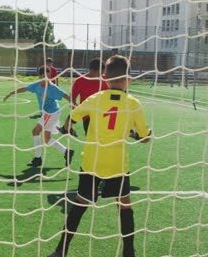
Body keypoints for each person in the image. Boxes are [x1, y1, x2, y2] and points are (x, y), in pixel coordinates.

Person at [49, 55, 152, 257]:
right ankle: (129, 252)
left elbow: (72, 118)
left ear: (105, 78)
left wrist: (68, 128)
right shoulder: (133, 104)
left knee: (80, 203)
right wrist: (143, 135)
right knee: (124, 205)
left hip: (92, 163)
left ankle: (61, 250)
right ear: (128, 79)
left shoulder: (95, 99)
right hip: (117, 165)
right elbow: (144, 138)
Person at [3, 66, 74, 167]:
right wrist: (11, 93)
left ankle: (38, 159)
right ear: (40, 76)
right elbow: (25, 89)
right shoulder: (36, 85)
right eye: (44, 76)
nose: (47, 78)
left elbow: (66, 96)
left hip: (51, 113)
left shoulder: (53, 88)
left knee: (35, 131)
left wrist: (73, 105)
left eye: (48, 75)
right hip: (49, 113)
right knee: (47, 138)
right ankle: (67, 152)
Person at [71, 58, 109, 135]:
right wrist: (78, 111)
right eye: (100, 73)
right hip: (88, 117)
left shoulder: (105, 79)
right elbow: (72, 98)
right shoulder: (80, 81)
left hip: (103, 115)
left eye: (103, 73)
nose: (102, 75)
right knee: (92, 141)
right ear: (92, 70)